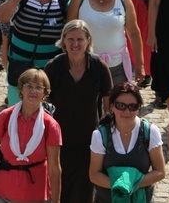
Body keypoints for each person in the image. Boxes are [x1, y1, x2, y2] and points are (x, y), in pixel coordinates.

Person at [0, 69, 62, 203]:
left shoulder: (50, 126)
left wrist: (56, 200)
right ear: (21, 90)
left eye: (38, 87)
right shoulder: (5, 117)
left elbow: (54, 168)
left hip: (34, 194)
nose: (33, 91)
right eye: (29, 86)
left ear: (44, 94)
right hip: (1, 191)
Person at [45, 20, 113, 202]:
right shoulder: (54, 67)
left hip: (89, 143)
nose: (75, 44)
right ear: (64, 41)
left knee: (84, 194)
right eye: (71, 39)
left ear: (88, 41)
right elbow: (44, 106)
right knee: (60, 193)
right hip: (59, 143)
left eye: (80, 39)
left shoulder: (99, 67)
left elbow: (109, 109)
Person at [0, 0, 70, 105]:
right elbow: (2, 17)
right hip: (20, 69)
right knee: (16, 112)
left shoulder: (63, 4)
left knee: (44, 116)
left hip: (48, 73)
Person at [67, 0, 144, 85]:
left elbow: (133, 33)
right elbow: (68, 32)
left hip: (117, 67)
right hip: (85, 65)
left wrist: (140, 65)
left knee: (117, 105)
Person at [89, 82, 165, 202]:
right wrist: (121, 185)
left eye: (132, 106)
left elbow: (160, 172)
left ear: (139, 108)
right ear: (112, 106)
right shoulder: (100, 135)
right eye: (121, 106)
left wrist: (129, 185)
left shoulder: (150, 132)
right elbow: (94, 174)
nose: (126, 111)